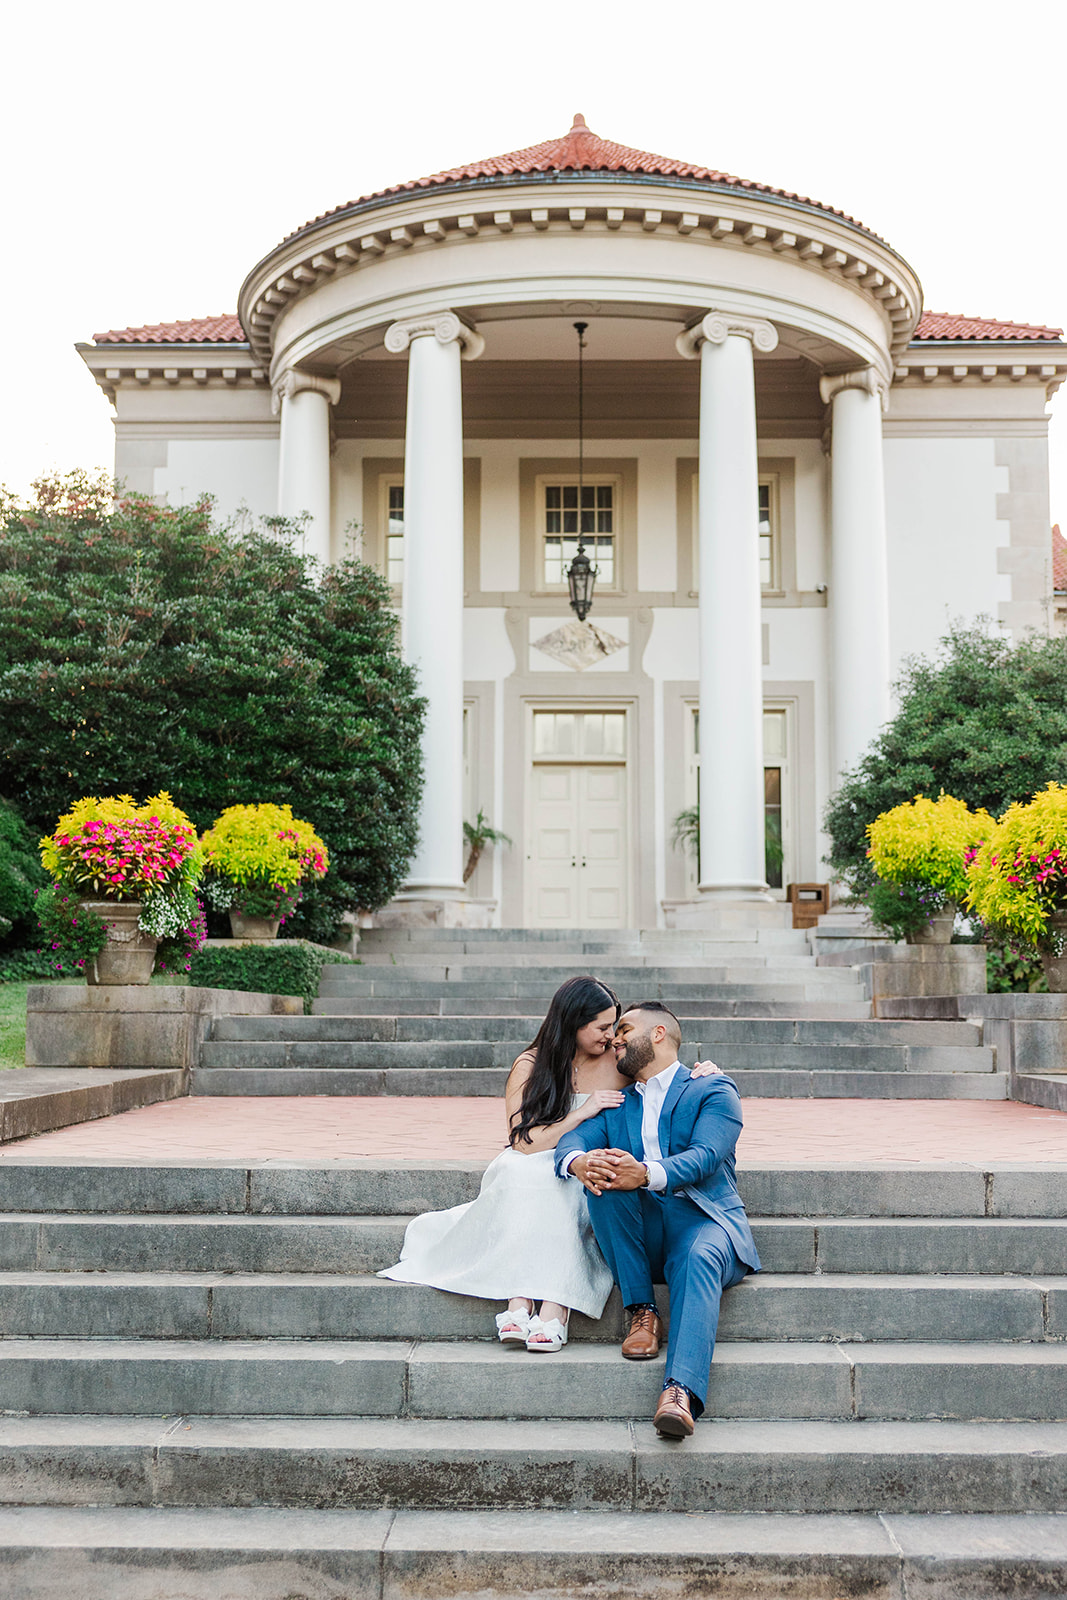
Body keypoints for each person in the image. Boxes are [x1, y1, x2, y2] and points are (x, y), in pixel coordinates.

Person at [378, 976, 721, 1352]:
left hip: (582, 1160)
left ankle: (555, 1307)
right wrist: (582, 1111)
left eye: (614, 1026)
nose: (611, 1037)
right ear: (573, 1023)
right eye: (602, 1027)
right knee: (524, 1174)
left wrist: (703, 1071)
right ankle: (520, 1301)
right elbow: (523, 1143)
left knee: (569, 1184)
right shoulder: (529, 1065)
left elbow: (661, 1069)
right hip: (532, 1157)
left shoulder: (616, 1062)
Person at [555, 999, 760, 1438]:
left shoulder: (713, 1089)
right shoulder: (617, 1103)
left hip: (703, 1221)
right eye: (613, 1034)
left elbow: (706, 1156)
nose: (615, 1039)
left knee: (699, 1256)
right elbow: (573, 1139)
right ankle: (642, 1310)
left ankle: (679, 1391)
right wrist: (578, 1162)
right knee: (603, 1174)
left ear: (659, 1034)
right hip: (640, 1234)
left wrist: (646, 1174)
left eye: (625, 1029)